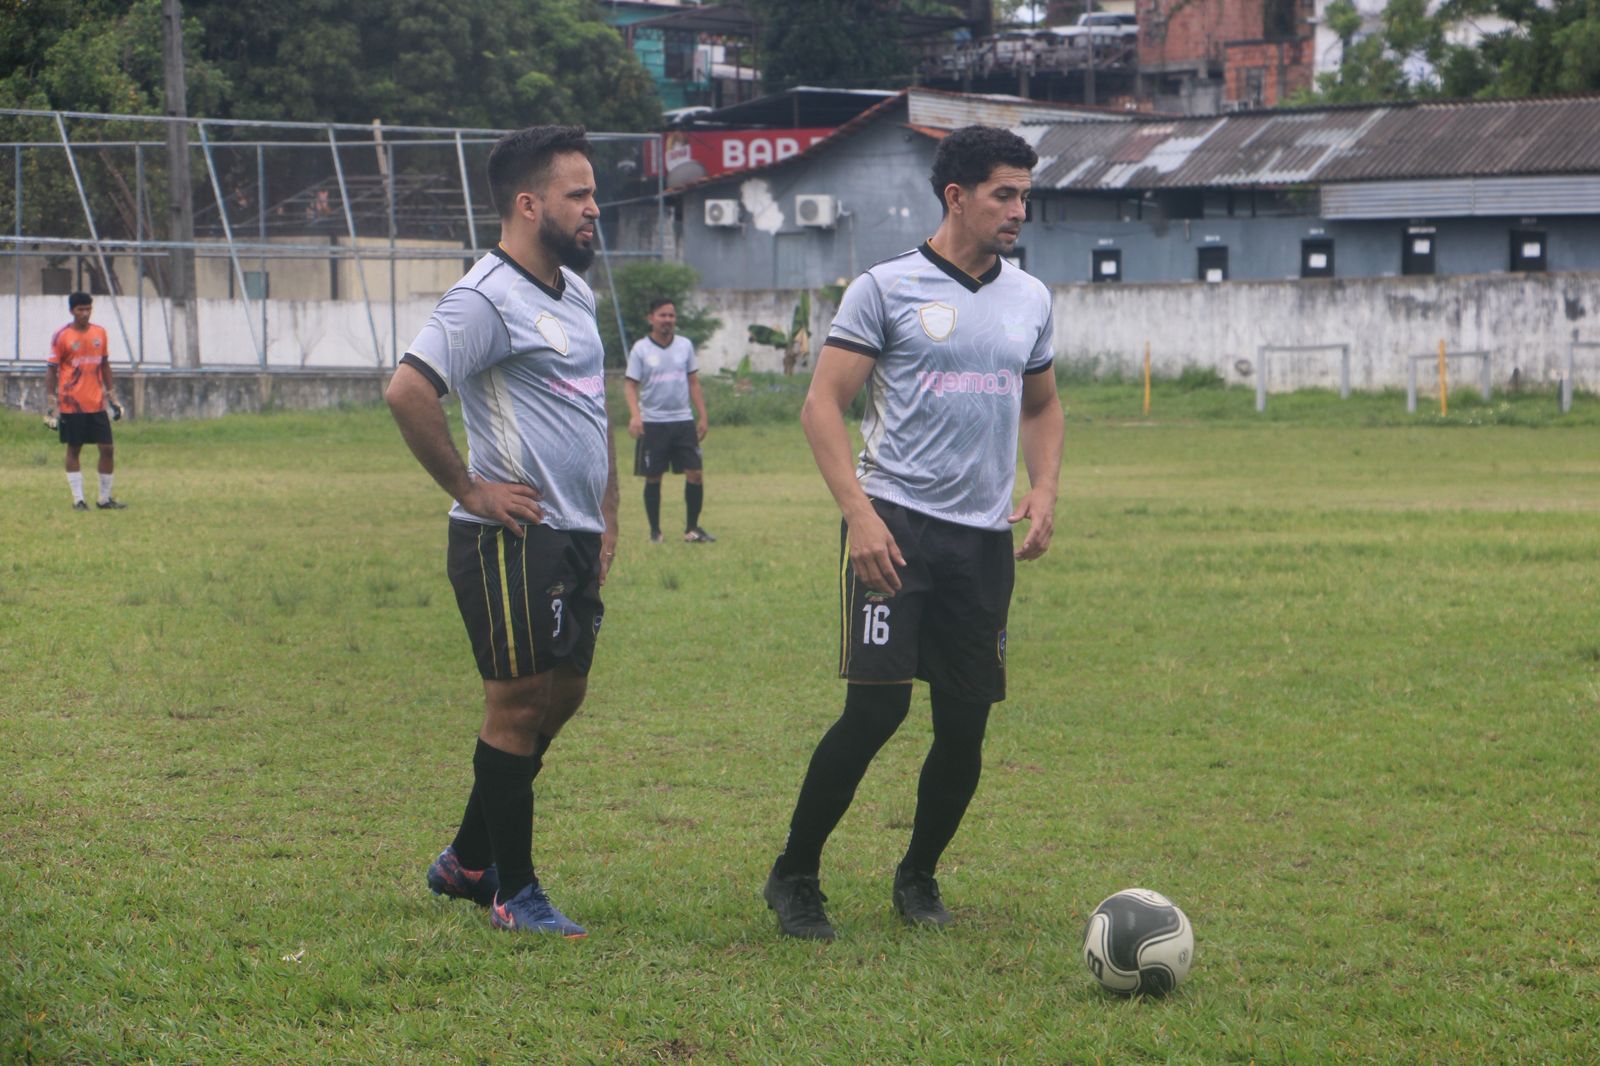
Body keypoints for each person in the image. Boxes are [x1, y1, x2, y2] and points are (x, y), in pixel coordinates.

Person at [762, 125, 1065, 940]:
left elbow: (1041, 405)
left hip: (981, 537)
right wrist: (858, 513)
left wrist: (1043, 488)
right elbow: (821, 405)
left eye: (1025, 195)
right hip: (893, 522)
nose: (1017, 210)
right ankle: (794, 874)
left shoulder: (1029, 299)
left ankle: (918, 876)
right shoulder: (885, 288)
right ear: (956, 196)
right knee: (876, 714)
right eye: (1004, 194)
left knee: (965, 723)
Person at [385, 125, 619, 938]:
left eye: (593, 192)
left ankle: (465, 858)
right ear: (530, 204)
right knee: (517, 702)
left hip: (576, 533)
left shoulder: (576, 292)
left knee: (565, 694)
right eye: (578, 195)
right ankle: (512, 893)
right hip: (512, 538)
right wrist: (471, 489)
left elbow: (590, 408)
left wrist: (609, 509)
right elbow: (408, 390)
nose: (595, 209)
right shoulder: (483, 297)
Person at [624, 298, 714, 544]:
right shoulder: (641, 349)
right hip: (653, 423)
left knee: (695, 473)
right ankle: (655, 532)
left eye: (671, 316)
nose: (667, 320)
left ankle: (692, 530)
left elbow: (693, 382)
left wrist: (703, 416)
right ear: (651, 318)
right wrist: (635, 415)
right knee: (653, 476)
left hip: (683, 421)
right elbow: (630, 385)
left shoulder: (685, 346)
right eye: (662, 315)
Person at [45, 292, 126, 511]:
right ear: (72, 311)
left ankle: (104, 499)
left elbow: (105, 364)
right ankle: (78, 500)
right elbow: (52, 370)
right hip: (72, 404)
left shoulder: (100, 333)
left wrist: (112, 396)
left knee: (107, 448)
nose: (85, 313)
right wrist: (52, 403)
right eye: (80, 309)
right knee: (74, 448)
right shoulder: (62, 336)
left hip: (97, 403)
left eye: (88, 309)